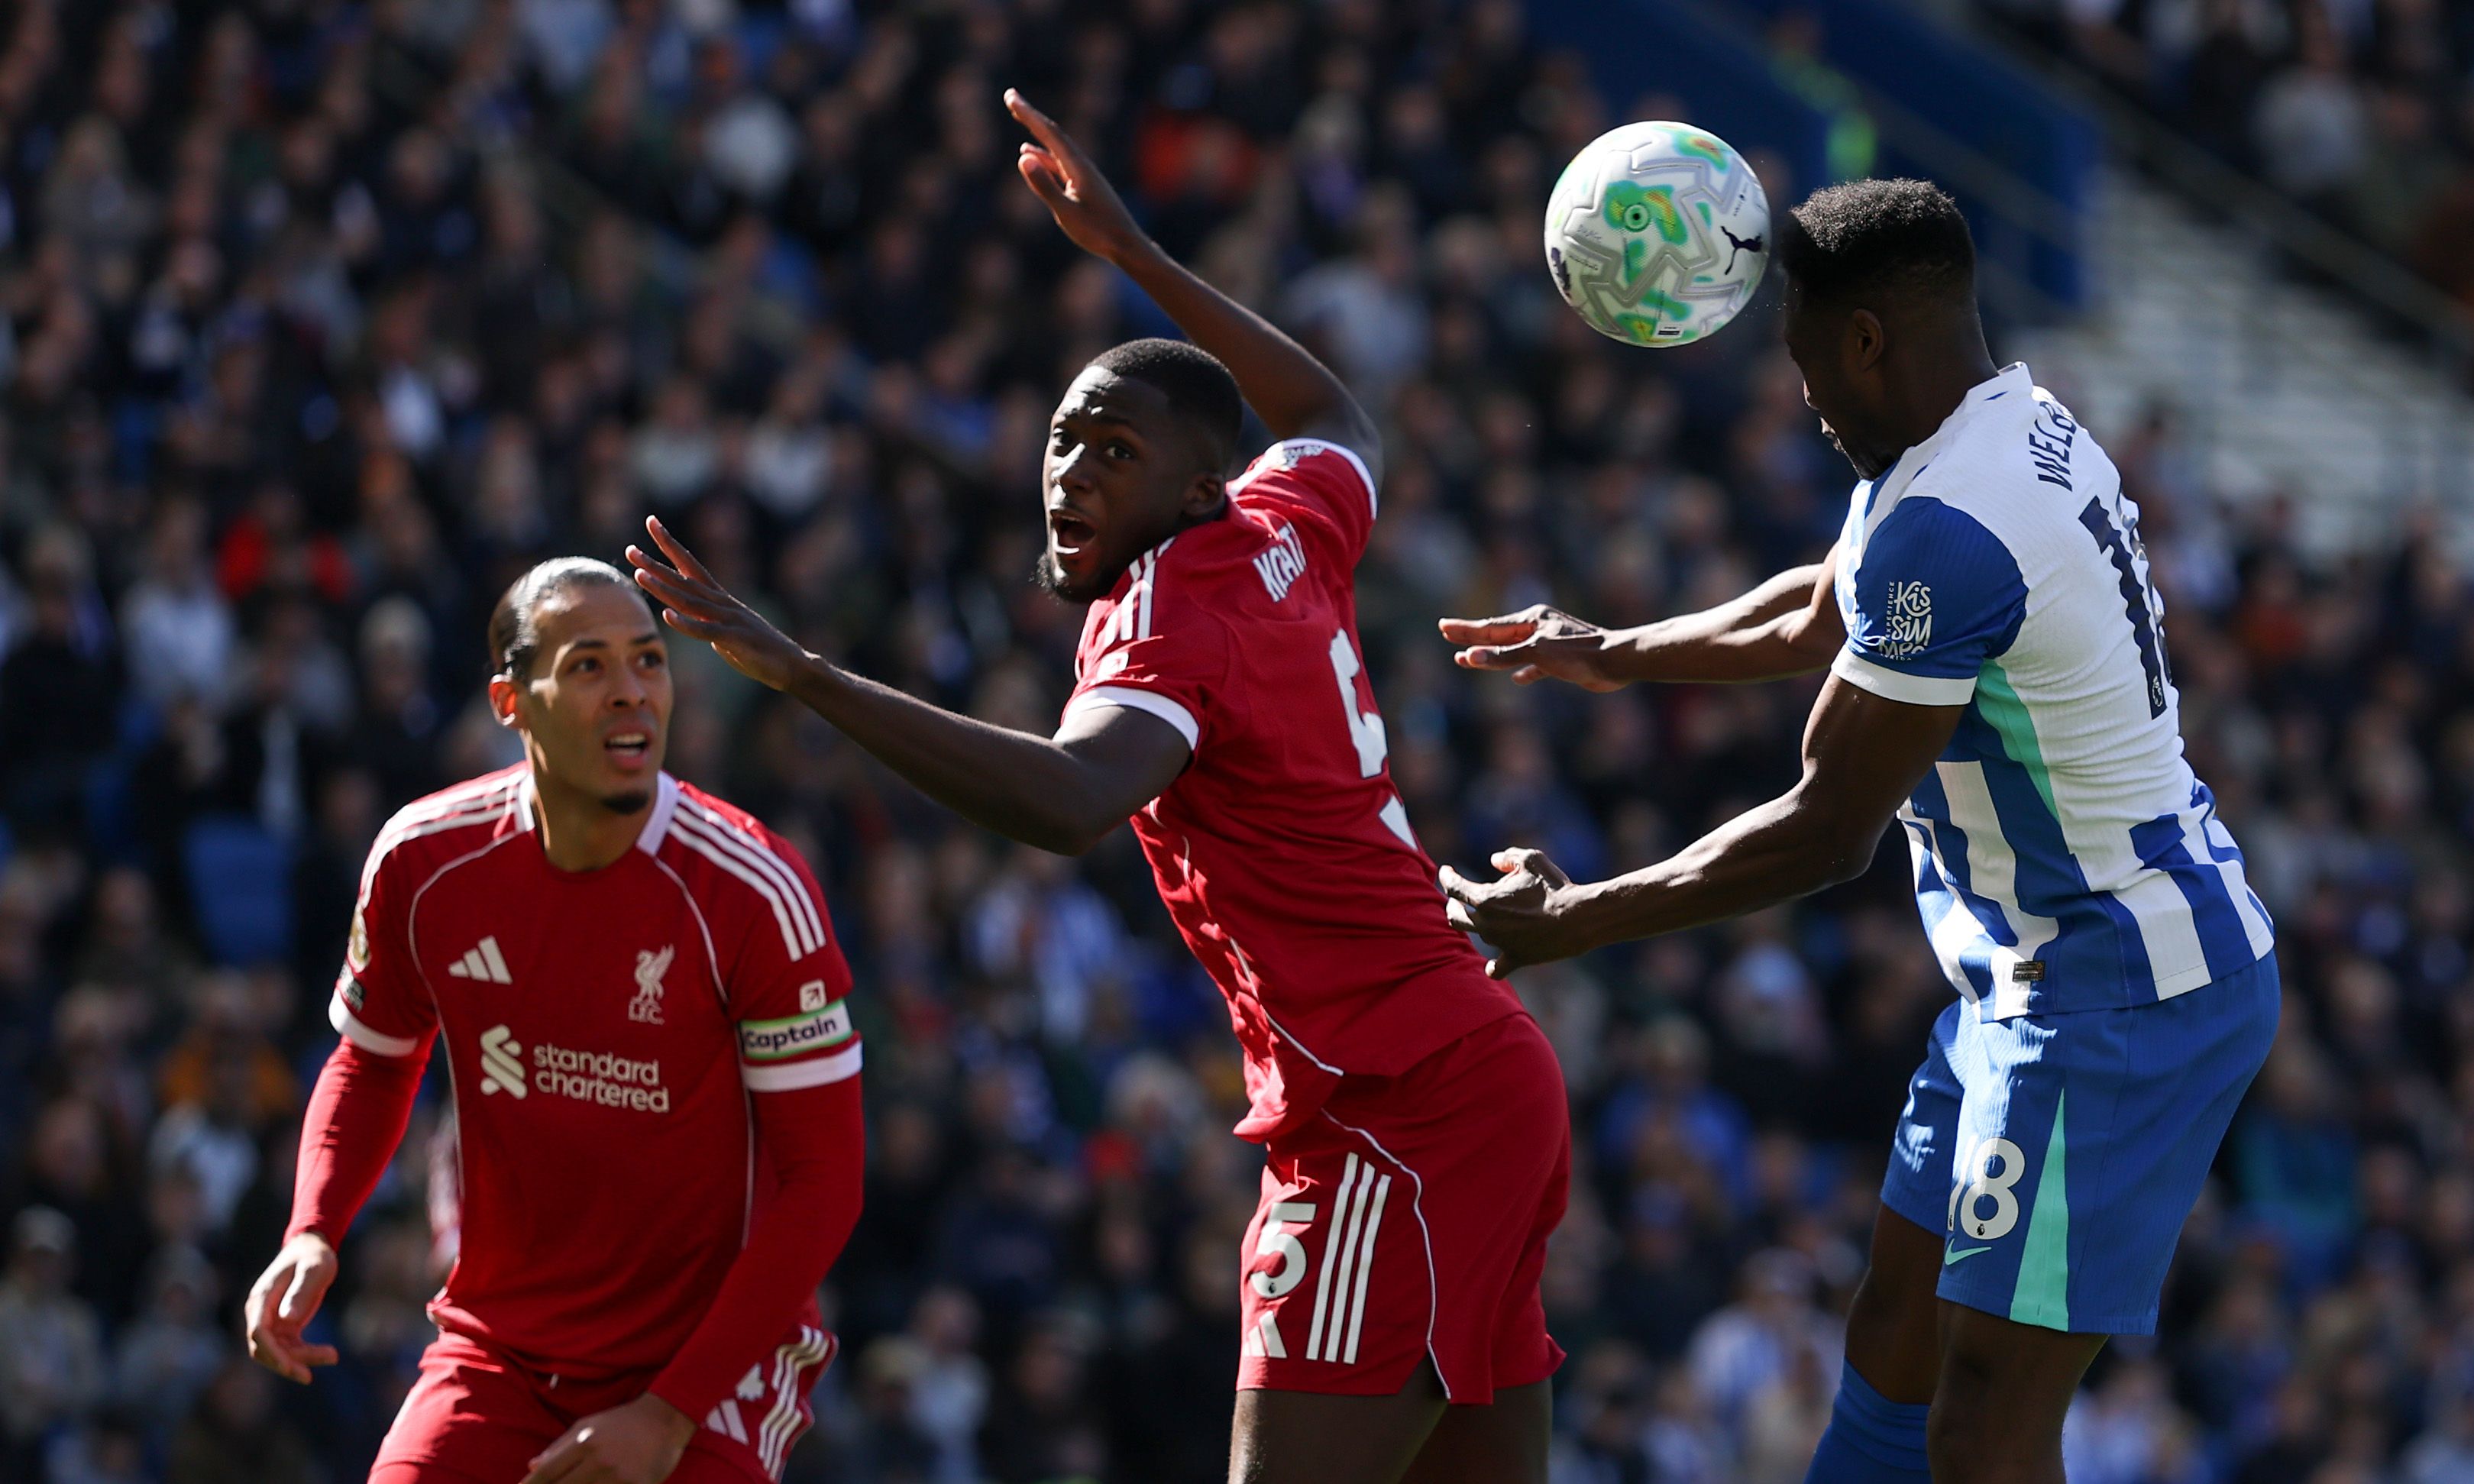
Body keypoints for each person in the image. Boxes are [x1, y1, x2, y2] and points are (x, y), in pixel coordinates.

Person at [627, 90, 1569, 1484]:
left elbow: (1075, 798)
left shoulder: (1164, 617)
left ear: (1195, 490)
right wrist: (1130, 250)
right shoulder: (1285, 520)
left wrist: (808, 673)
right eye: (1066, 438)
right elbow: (1337, 413)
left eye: (1114, 454)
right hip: (1473, 1072)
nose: (1070, 474)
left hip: (1393, 1109)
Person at [1436, 179, 2279, 1484]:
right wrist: (1616, 653)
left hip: (2121, 994)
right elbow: (1827, 605)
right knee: (1896, 1325)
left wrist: (1574, 920)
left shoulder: (1951, 528)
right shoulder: (1992, 429)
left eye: (1806, 355)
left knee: (1986, 1412)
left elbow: (1827, 833)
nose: (1803, 394)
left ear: (1869, 339)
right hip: (2032, 971)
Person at [240, 558, 865, 1484]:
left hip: (707, 1366)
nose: (631, 693)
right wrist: (314, 1227)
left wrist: (665, 1414)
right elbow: (373, 1060)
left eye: (649, 662)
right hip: (504, 1350)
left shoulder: (751, 889)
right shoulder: (424, 859)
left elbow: (824, 1179)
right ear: (510, 701)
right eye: (588, 666)